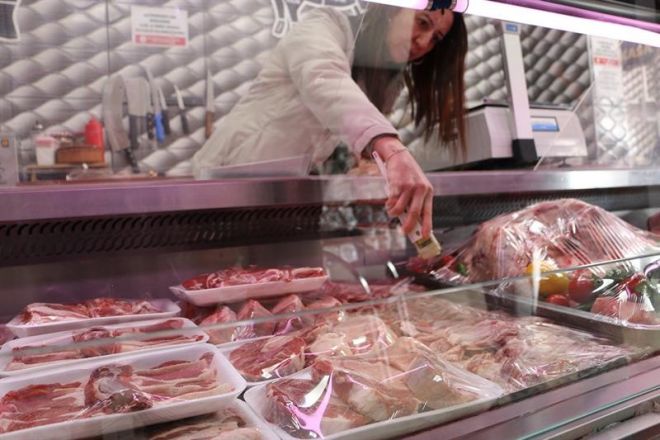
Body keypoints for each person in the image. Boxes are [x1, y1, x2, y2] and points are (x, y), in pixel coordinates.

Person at [192, 4, 468, 238]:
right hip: (223, 194)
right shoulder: (324, 26)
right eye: (422, 23)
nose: (424, 42)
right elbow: (323, 79)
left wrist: (365, 170)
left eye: (436, 39)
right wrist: (392, 149)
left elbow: (341, 137)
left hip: (283, 203)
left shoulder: (383, 75)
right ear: (392, 10)